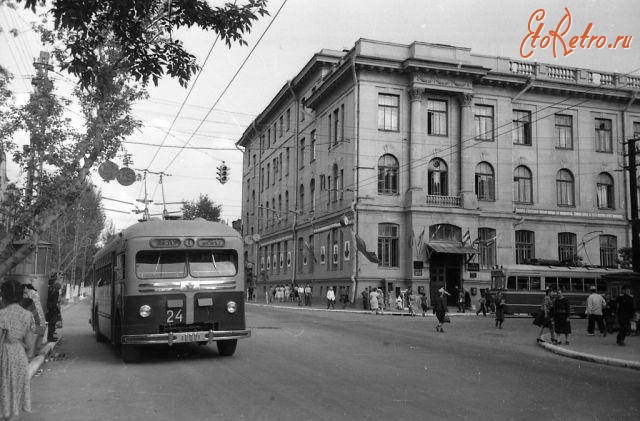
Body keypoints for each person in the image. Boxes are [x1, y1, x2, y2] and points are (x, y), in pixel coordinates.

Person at [1, 279, 36, 420]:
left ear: (3, 296)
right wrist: (26, 356)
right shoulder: (27, 315)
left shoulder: (2, 315)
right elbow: (29, 344)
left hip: (4, 356)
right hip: (20, 357)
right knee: (14, 398)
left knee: (3, 393)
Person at [20, 284, 45, 359]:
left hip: (36, 316)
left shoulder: (31, 294)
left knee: (35, 335)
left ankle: (32, 354)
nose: (23, 293)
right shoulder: (33, 293)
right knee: (39, 334)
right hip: (38, 316)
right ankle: (36, 352)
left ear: (25, 288)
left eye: (23, 291)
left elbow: (28, 303)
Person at [46, 274, 62, 342]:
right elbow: (55, 302)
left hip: (49, 307)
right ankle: (50, 337)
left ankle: (50, 336)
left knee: (50, 323)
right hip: (52, 308)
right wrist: (56, 309)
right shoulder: (55, 291)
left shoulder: (49, 289)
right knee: (52, 323)